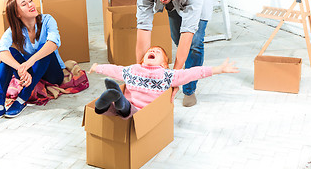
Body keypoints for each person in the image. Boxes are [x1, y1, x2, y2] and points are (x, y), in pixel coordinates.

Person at [135, 0, 215, 107]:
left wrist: (174, 79)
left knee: (194, 44)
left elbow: (188, 33)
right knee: (177, 39)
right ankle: (184, 68)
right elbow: (143, 28)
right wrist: (140, 72)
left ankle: (189, 90)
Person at [0, 0, 65, 125]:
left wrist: (28, 63)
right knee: (8, 53)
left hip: (52, 73)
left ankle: (22, 98)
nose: (30, 4)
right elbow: (0, 51)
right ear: (17, 14)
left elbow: (53, 43)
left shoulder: (48, 20)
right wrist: (21, 67)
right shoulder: (14, 31)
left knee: (45, 48)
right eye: (24, 4)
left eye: (30, 1)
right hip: (29, 75)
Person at [89, 46, 238, 118]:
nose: (153, 51)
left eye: (158, 52)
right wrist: (98, 68)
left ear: (164, 64)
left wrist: (218, 69)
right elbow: (115, 70)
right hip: (127, 105)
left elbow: (192, 73)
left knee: (123, 105)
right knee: (117, 100)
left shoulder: (167, 75)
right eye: (151, 51)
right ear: (143, 59)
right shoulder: (133, 69)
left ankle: (114, 96)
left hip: (140, 112)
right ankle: (109, 99)